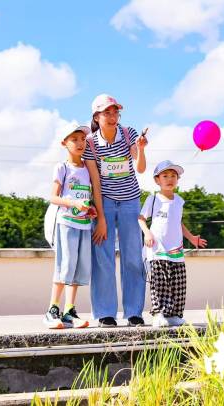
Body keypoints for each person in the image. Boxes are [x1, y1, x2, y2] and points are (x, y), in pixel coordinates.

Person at [83, 94, 148, 327]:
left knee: (133, 258)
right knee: (103, 258)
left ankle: (133, 312)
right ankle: (105, 313)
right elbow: (95, 184)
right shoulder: (90, 143)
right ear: (96, 117)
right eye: (107, 113)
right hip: (106, 202)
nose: (112, 117)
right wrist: (101, 218)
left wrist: (140, 149)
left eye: (115, 112)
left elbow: (140, 168)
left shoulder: (129, 133)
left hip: (130, 201)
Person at [138, 160, 207, 327]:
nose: (170, 179)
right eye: (165, 175)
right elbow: (141, 218)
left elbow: (178, 223)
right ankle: (159, 314)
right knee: (160, 283)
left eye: (173, 176)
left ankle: (174, 314)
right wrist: (147, 233)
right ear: (157, 180)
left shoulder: (179, 201)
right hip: (157, 250)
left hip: (176, 251)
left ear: (178, 179)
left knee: (178, 284)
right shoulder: (153, 199)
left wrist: (191, 238)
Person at [43, 124, 97, 329]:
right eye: (74, 139)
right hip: (65, 223)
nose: (80, 143)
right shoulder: (62, 167)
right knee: (64, 266)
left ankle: (69, 311)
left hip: (84, 225)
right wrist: (73, 203)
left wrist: (90, 208)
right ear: (64, 143)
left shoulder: (88, 168)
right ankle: (52, 310)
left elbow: (86, 196)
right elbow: (53, 197)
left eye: (83, 139)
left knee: (77, 268)